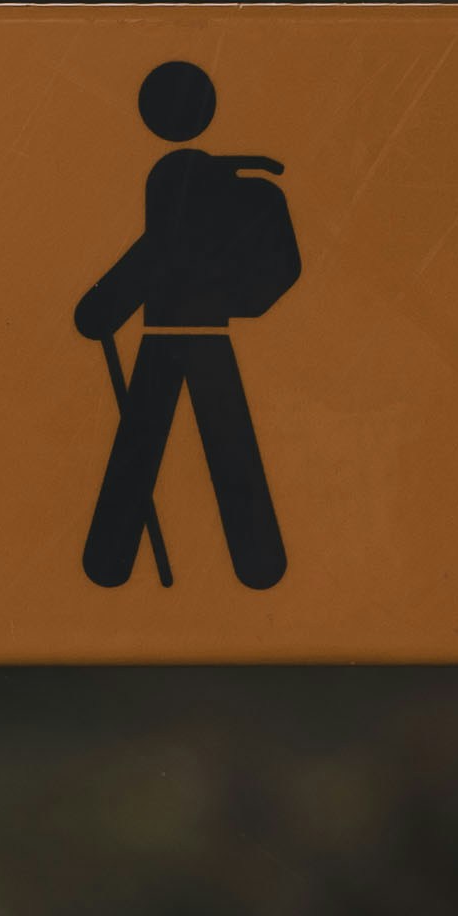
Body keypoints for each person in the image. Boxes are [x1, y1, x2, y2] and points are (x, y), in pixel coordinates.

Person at [72, 61, 295, 589]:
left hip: (168, 337)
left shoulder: (180, 179)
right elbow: (161, 253)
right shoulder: (207, 179)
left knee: (149, 443)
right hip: (199, 338)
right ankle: (256, 566)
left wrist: (102, 309)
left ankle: (111, 564)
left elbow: (156, 253)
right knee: (207, 442)